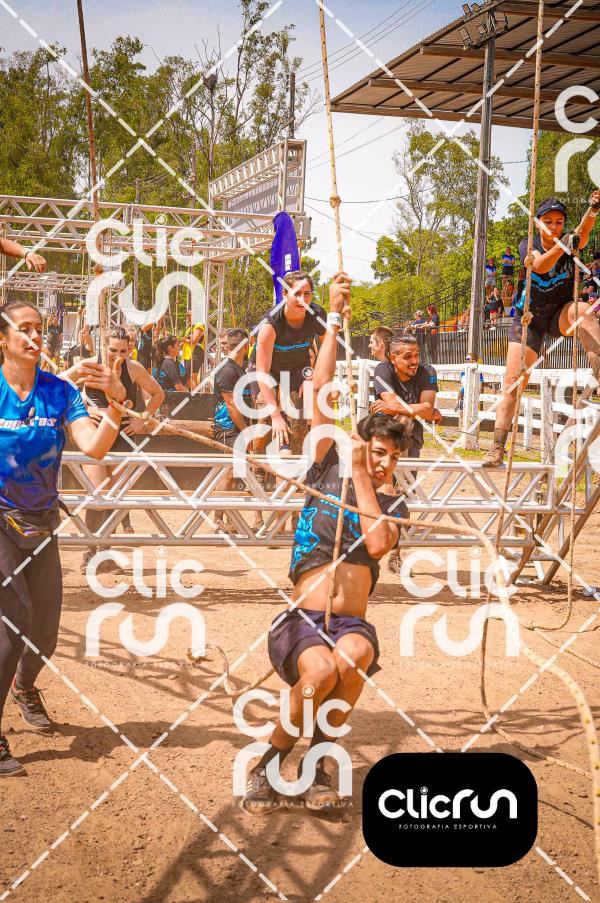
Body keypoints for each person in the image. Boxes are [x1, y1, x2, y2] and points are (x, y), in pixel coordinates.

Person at [241, 272, 411, 814]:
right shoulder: (325, 464)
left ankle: (316, 766)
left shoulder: (391, 503)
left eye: (392, 458)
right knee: (318, 673)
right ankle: (267, 766)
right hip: (302, 620)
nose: (384, 463)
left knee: (355, 657)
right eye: (377, 452)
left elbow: (378, 545)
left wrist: (363, 475)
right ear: (362, 444)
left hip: (350, 624)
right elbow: (319, 388)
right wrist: (332, 319)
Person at [0, 300, 126, 776]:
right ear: (3, 339)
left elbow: (93, 446)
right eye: (24, 329)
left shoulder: (59, 391)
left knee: (45, 632)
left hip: (40, 521)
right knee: (14, 622)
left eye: (39, 328)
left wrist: (117, 402)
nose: (35, 337)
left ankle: (24, 687)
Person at [484, 193, 600, 466]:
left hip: (559, 313)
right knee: (513, 382)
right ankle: (497, 446)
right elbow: (538, 265)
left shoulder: (570, 240)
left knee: (583, 310)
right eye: (548, 222)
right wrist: (563, 244)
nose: (554, 227)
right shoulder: (529, 243)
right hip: (529, 319)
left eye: (559, 222)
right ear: (538, 223)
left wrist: (593, 210)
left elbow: (583, 233)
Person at [65, 327, 165, 571]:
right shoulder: (90, 365)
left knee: (113, 496)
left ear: (129, 348)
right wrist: (82, 409)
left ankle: (105, 552)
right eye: (113, 350)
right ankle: (90, 551)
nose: (118, 355)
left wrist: (142, 420)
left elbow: (158, 394)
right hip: (95, 432)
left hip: (122, 436)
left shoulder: (134, 368)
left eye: (123, 350)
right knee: (98, 494)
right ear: (103, 346)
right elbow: (59, 383)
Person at [255, 271, 326, 455]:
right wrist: (276, 416)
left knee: (298, 418)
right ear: (285, 294)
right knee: (265, 419)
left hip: (298, 368)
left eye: (307, 294)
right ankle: (258, 468)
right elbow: (262, 373)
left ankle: (297, 462)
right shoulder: (270, 324)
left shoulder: (317, 315)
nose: (303, 299)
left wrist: (312, 375)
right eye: (297, 293)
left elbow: (327, 349)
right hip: (270, 370)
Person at [370, 332, 440, 462]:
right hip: (385, 438)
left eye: (417, 355)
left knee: (408, 476)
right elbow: (395, 402)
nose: (414, 361)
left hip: (413, 439)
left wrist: (391, 408)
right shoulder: (383, 370)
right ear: (393, 358)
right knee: (402, 419)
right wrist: (422, 410)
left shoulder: (428, 372)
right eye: (408, 356)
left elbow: (426, 409)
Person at [212, 328, 252, 532]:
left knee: (235, 472)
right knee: (229, 472)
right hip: (228, 428)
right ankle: (218, 519)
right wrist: (246, 431)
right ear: (246, 345)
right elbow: (231, 405)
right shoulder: (228, 370)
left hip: (236, 427)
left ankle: (228, 519)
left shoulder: (239, 368)